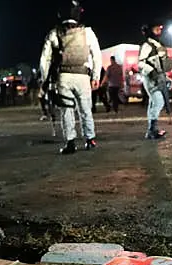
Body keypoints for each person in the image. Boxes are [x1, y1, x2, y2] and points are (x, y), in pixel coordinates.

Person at [39, 0, 101, 154]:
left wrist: (45, 80)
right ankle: (90, 139)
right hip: (83, 76)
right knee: (86, 108)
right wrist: (96, 76)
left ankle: (70, 142)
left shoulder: (54, 33)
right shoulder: (88, 32)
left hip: (63, 77)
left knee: (67, 110)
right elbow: (96, 55)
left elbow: (44, 60)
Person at [138, 22, 172, 139]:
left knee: (153, 103)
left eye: (159, 29)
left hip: (159, 77)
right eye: (156, 29)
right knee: (159, 102)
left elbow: (161, 65)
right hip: (150, 79)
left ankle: (151, 129)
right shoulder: (147, 45)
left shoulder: (158, 45)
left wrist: (166, 78)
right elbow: (140, 63)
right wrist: (151, 71)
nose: (158, 31)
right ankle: (152, 129)